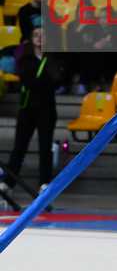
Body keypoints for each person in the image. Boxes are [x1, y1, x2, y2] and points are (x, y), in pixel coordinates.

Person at [0, 27, 64, 194]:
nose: (39, 38)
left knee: (45, 147)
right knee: (19, 147)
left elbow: (57, 81)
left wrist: (41, 79)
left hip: (47, 109)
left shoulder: (53, 58)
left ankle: (44, 182)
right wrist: (43, 80)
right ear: (31, 39)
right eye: (36, 35)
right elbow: (27, 80)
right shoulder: (25, 59)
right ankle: (8, 182)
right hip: (27, 109)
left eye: (43, 35)